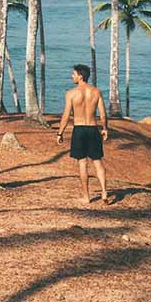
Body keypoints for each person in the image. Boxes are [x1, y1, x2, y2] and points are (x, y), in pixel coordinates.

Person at [56, 63, 110, 207]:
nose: (72, 76)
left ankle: (86, 197)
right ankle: (104, 192)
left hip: (79, 130)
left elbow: (66, 116)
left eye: (73, 74)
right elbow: (103, 114)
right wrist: (105, 128)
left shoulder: (71, 93)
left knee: (82, 163)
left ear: (80, 76)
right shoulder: (96, 92)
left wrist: (59, 133)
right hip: (93, 129)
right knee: (98, 162)